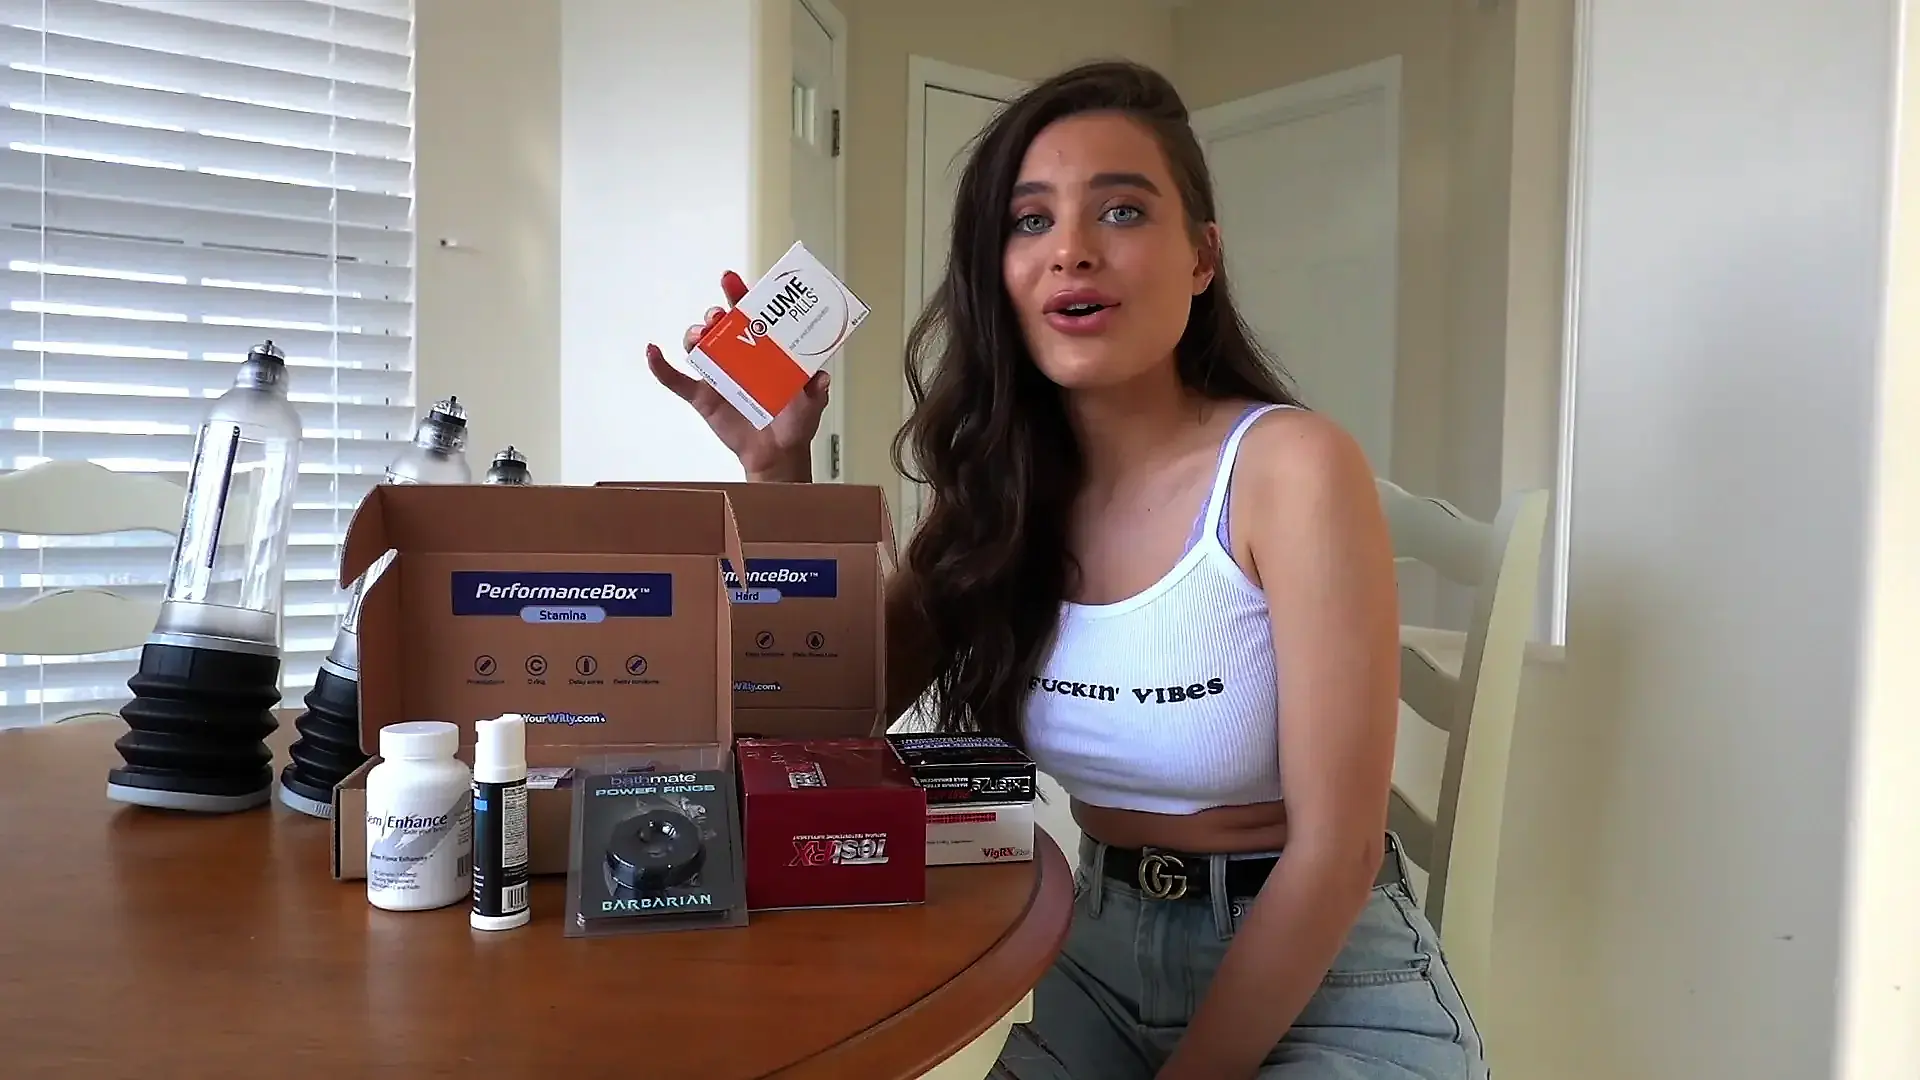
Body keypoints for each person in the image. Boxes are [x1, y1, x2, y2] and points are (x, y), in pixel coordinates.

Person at [647, 58, 1486, 1080]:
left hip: (1327, 988)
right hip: (1091, 967)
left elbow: (1339, 854)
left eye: (1122, 211)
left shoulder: (1291, 468)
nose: (1072, 250)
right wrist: (779, 474)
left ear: (1202, 257)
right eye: (1030, 220)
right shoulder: (997, 499)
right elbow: (829, 718)